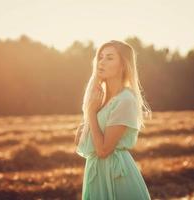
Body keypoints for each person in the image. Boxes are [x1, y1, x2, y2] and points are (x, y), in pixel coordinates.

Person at [74, 40, 152, 200]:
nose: (101, 62)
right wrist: (90, 113)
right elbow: (83, 143)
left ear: (123, 65)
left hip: (115, 176)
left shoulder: (125, 100)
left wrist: (91, 113)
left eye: (109, 58)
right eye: (100, 57)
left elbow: (103, 150)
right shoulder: (100, 99)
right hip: (97, 174)